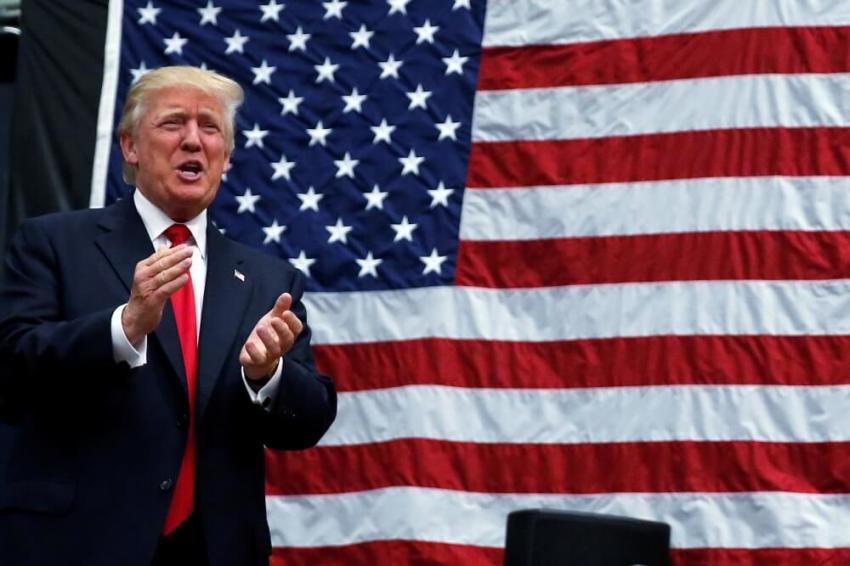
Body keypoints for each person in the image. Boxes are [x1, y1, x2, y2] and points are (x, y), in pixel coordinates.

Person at [0, 66, 337, 565]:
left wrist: (267, 376)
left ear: (225, 158)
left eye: (210, 128)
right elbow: (12, 369)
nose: (193, 141)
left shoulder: (269, 280)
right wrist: (124, 326)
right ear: (130, 147)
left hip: (214, 549)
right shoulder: (53, 243)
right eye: (173, 123)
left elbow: (306, 424)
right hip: (78, 542)